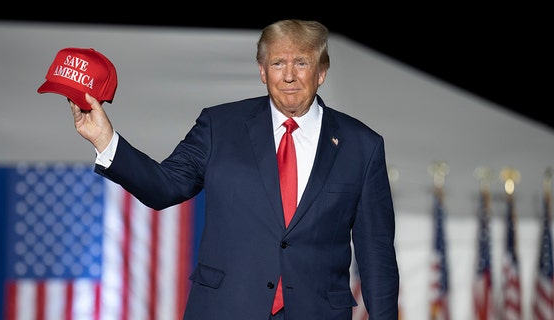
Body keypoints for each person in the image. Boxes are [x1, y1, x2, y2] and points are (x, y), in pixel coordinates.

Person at [67, 19, 399, 320]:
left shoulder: (362, 146)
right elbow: (163, 187)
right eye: (278, 63)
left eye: (301, 63)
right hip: (226, 308)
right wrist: (105, 139)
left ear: (322, 71)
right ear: (262, 71)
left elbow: (377, 255)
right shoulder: (219, 126)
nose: (289, 75)